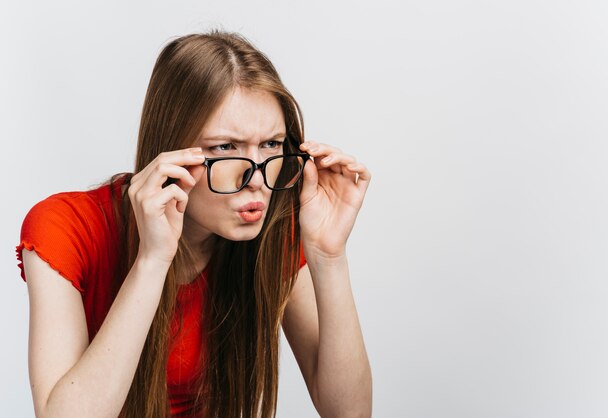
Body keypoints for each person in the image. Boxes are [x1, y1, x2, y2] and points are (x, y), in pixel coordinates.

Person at [16, 31, 372, 418]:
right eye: (225, 147)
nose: (255, 178)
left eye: (271, 144)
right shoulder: (66, 226)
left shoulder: (275, 231)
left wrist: (328, 255)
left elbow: (349, 413)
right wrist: (153, 260)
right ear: (170, 149)